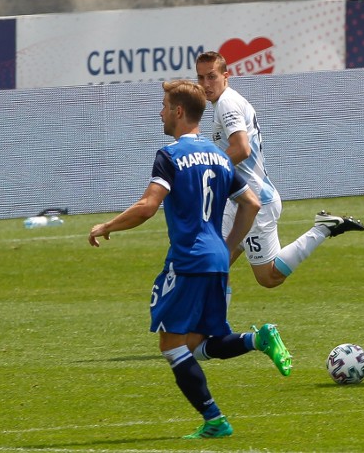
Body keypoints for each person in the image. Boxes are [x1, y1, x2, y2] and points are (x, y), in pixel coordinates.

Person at [89, 80, 292, 439]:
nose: (161, 112)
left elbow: (148, 206)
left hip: (188, 261)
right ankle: (258, 340)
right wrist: (228, 245)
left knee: (171, 344)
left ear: (179, 111)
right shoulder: (218, 156)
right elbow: (252, 204)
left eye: (165, 106)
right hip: (215, 260)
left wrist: (108, 225)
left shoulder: (169, 155)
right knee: (198, 345)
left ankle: (214, 420)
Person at [194, 51, 364, 295]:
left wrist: (206, 170)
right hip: (238, 201)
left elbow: (241, 149)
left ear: (225, 76)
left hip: (254, 203)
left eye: (211, 77)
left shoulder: (226, 104)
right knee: (211, 271)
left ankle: (322, 229)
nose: (205, 84)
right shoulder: (225, 103)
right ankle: (214, 332)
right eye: (200, 78)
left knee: (268, 277)